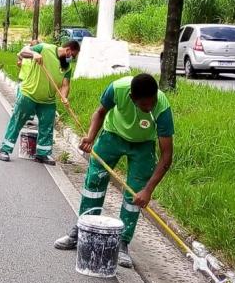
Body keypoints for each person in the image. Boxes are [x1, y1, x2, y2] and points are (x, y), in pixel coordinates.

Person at [54, 73, 174, 268]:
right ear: (132, 98)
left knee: (135, 193)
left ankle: (122, 243)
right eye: (144, 105)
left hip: (143, 144)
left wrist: (148, 190)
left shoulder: (162, 107)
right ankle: (82, 230)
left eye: (151, 103)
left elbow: (167, 156)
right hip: (113, 135)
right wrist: (91, 137)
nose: (149, 108)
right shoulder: (118, 88)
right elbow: (100, 112)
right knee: (94, 181)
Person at [0, 40, 81, 165]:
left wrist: (64, 97)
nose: (72, 59)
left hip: (48, 100)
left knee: (47, 127)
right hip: (29, 94)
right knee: (17, 121)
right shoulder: (45, 48)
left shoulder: (67, 67)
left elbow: (65, 85)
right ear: (68, 50)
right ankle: (5, 149)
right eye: (73, 56)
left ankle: (43, 154)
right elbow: (23, 52)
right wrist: (34, 54)